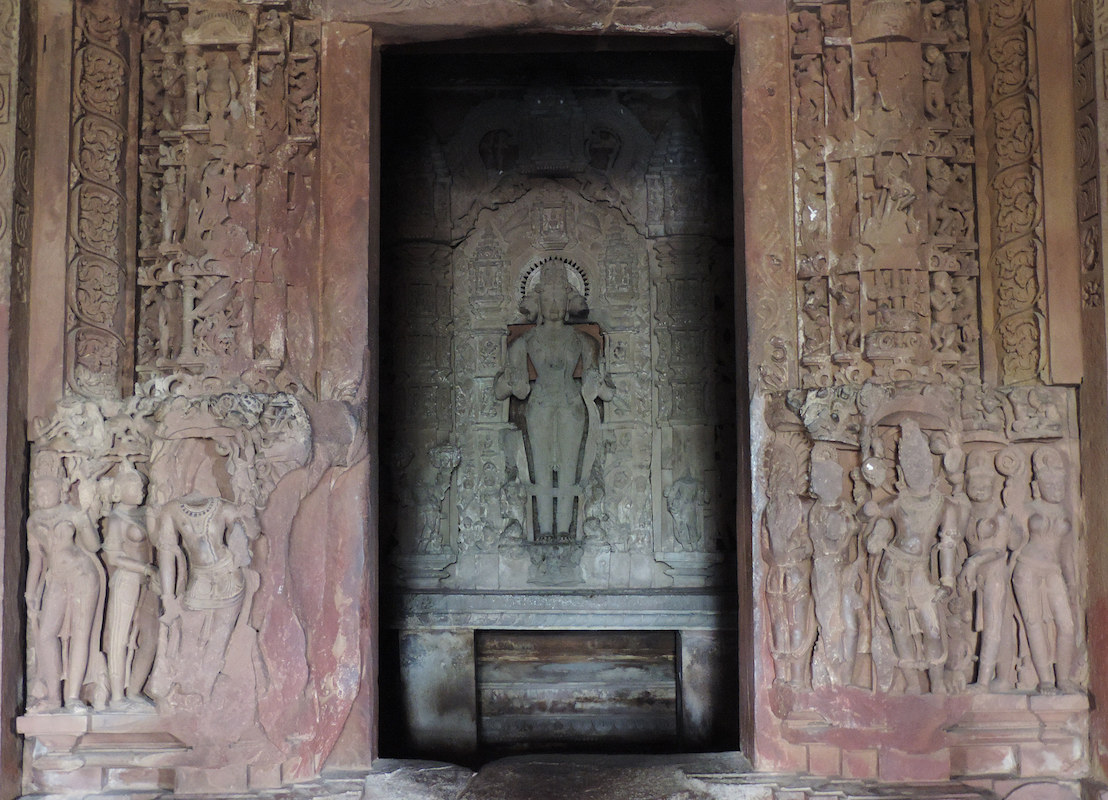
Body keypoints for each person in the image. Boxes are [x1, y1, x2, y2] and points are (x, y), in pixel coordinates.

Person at [495, 264, 612, 539]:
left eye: (561, 298)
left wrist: (598, 385)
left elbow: (601, 390)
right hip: (540, 406)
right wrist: (509, 382)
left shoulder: (584, 341)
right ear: (538, 301)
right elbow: (518, 389)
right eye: (548, 298)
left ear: (570, 301)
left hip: (572, 405)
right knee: (542, 468)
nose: (555, 304)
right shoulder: (524, 343)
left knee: (571, 468)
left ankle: (565, 530)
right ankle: (544, 529)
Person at [867, 419, 960, 693]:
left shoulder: (944, 506)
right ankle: (911, 686)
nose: (917, 468)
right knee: (900, 630)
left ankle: (938, 683)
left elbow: (948, 544)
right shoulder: (897, 502)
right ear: (902, 470)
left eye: (921, 462)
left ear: (931, 465)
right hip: (892, 570)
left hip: (920, 572)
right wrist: (872, 519)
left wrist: (947, 579)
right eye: (910, 463)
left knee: (931, 627)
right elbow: (868, 518)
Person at [149, 493, 259, 700]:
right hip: (199, 579)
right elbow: (166, 554)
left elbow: (252, 533)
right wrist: (167, 597)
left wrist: (248, 516)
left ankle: (203, 692)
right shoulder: (171, 511)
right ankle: (186, 684)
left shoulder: (223, 508)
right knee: (188, 634)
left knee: (220, 637)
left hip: (228, 577)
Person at [26, 471, 105, 712]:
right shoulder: (34, 521)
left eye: (48, 491)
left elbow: (93, 545)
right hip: (56, 579)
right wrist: (30, 592)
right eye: (39, 492)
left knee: (82, 633)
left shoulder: (72, 514)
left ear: (60, 492)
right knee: (46, 634)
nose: (44, 495)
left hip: (82, 574)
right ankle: (53, 697)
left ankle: (72, 697)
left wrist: (85, 521)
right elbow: (37, 560)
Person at [1012, 446, 1080, 694]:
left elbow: (1067, 552)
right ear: (1037, 485)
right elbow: (1013, 541)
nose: (1055, 490)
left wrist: (1072, 584)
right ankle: (1046, 680)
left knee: (1067, 624)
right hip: (1027, 568)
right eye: (1049, 485)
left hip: (1053, 571)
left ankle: (1063, 678)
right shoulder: (1027, 508)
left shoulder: (1065, 512)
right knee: (1033, 622)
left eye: (1059, 486)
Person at [101, 463, 159, 709]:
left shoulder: (146, 515)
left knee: (151, 635)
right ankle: (117, 696)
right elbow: (113, 558)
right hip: (127, 579)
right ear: (120, 489)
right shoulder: (116, 519)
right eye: (134, 485)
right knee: (120, 636)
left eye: (142, 486)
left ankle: (134, 690)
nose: (141, 490)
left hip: (149, 582)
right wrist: (144, 568)